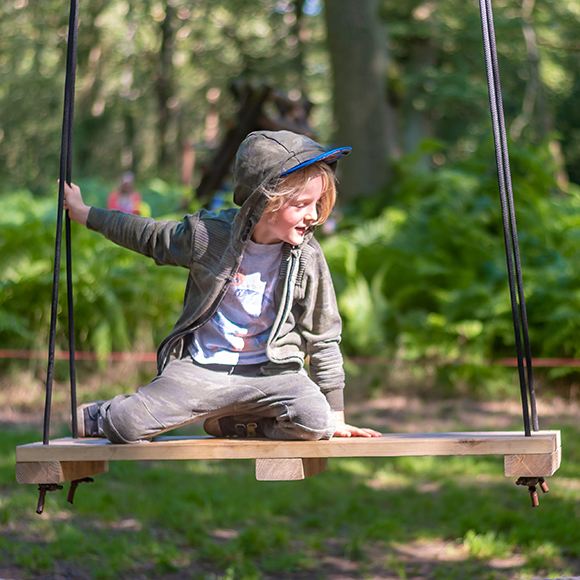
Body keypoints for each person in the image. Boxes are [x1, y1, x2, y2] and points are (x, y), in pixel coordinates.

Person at [63, 130, 381, 443]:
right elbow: (149, 235)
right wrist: (84, 213)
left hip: (273, 375)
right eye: (301, 205)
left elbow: (324, 335)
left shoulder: (308, 256)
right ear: (263, 201)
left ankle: (238, 423)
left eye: (318, 203)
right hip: (201, 371)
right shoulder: (208, 235)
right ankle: (104, 415)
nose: (313, 215)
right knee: (125, 426)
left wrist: (335, 415)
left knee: (316, 422)